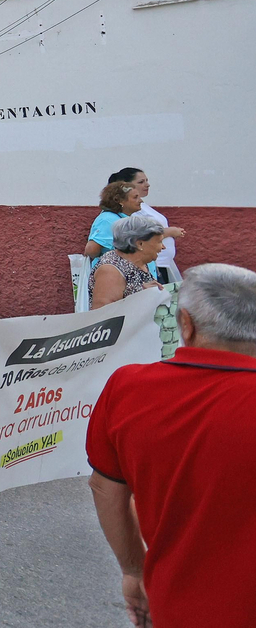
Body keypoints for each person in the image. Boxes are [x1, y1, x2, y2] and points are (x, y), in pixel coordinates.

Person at [86, 263, 256, 628]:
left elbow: (106, 489)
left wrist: (133, 570)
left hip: (179, 605)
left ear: (186, 323)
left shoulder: (129, 387)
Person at [109, 167, 187, 283]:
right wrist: (170, 232)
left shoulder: (143, 205)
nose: (147, 185)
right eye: (141, 182)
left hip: (161, 263)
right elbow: (139, 233)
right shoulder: (132, 208)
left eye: (146, 181)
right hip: (153, 263)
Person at [89, 215, 165, 308]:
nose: (163, 247)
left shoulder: (140, 263)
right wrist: (140, 297)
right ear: (140, 244)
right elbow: (103, 314)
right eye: (159, 242)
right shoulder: (111, 270)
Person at [85, 180, 144, 262]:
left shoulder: (124, 219)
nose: (141, 201)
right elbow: (91, 250)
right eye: (135, 197)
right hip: (112, 272)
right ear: (120, 201)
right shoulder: (108, 220)